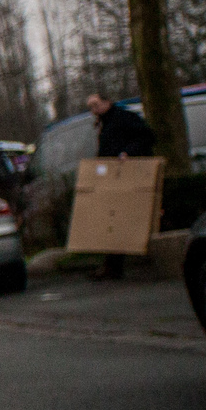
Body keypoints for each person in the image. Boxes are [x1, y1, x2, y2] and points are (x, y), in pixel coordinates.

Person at [88, 94, 159, 278]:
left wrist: (128, 153)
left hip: (128, 175)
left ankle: (113, 265)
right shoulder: (105, 123)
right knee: (115, 218)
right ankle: (112, 265)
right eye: (90, 107)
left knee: (120, 217)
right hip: (114, 176)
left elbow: (147, 137)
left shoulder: (124, 118)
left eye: (96, 105)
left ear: (107, 102)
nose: (93, 110)